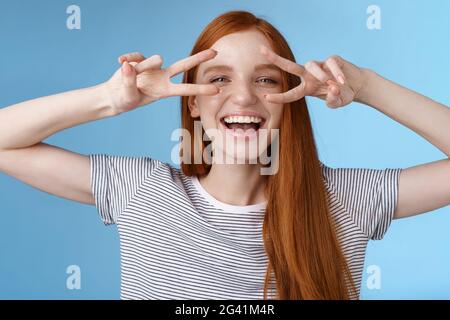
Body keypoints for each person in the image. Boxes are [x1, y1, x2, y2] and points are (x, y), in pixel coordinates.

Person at [0, 10, 449, 300]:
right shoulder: (142, 192)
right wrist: (109, 99)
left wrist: (367, 86)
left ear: (291, 96)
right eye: (217, 79)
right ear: (192, 102)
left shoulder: (345, 200)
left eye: (266, 80)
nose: (242, 98)